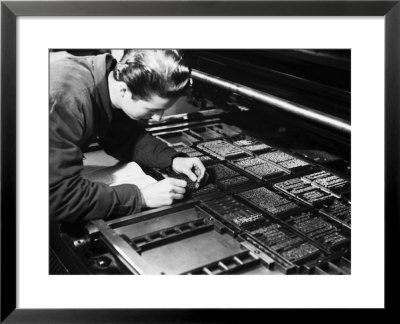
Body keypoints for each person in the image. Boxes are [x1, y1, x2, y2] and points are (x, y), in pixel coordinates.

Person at [50, 49, 206, 223]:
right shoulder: (66, 99)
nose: (158, 118)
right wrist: (140, 197)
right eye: (152, 110)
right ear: (124, 90)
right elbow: (57, 197)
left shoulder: (106, 80)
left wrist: (172, 159)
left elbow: (124, 137)